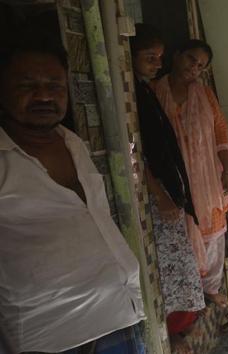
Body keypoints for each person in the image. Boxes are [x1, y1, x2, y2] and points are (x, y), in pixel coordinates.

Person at [0, 33, 145, 352]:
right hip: (54, 339)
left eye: (54, 85)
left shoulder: (73, 143)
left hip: (122, 319)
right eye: (27, 85)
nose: (43, 96)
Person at [130, 24, 205, 345]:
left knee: (180, 265)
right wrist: (159, 192)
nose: (156, 64)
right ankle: (177, 332)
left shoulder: (143, 90)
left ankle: (182, 328)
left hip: (169, 191)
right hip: (158, 195)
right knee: (172, 268)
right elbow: (137, 151)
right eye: (150, 57)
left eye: (158, 57)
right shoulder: (138, 93)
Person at [152, 39, 228, 310]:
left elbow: (221, 131)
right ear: (176, 56)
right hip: (174, 176)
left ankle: (210, 288)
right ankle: (190, 290)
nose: (194, 68)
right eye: (191, 59)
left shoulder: (205, 94)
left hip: (207, 174)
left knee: (212, 232)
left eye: (200, 66)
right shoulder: (155, 91)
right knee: (183, 231)